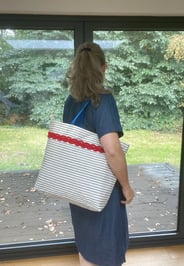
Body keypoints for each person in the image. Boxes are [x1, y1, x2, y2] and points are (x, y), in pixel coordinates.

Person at [63, 42, 135, 266]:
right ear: (103, 68)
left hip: (78, 186)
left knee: (87, 241)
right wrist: (126, 186)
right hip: (101, 188)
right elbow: (112, 151)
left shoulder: (71, 102)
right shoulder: (102, 100)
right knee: (107, 244)